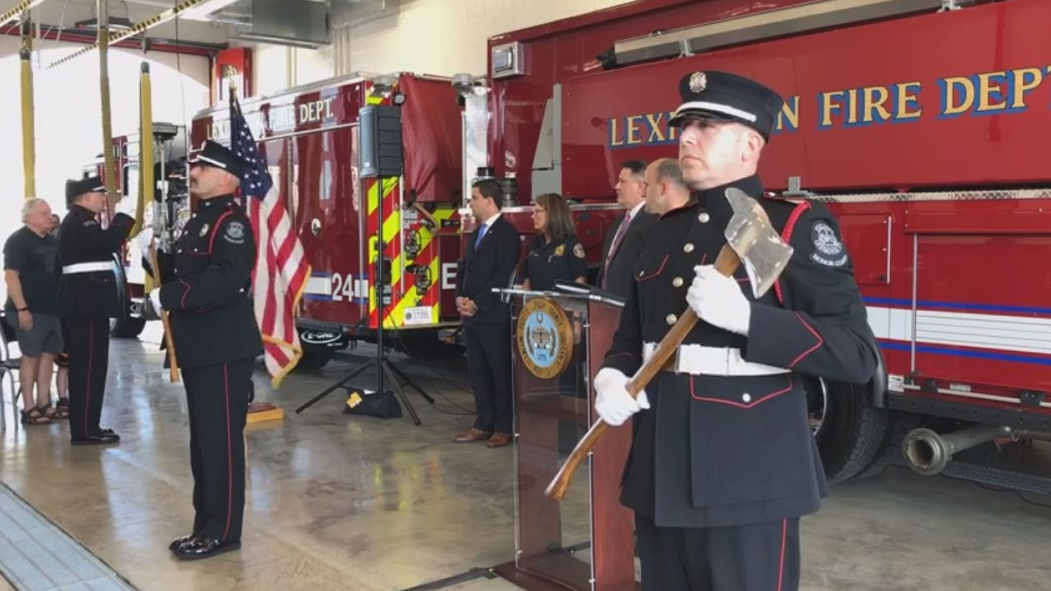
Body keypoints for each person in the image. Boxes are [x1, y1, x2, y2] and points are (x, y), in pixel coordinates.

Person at [593, 70, 880, 590]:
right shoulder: (660, 233)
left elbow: (856, 353)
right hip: (661, 470)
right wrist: (612, 376)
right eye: (684, 125)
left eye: (706, 126)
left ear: (751, 144)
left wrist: (749, 320)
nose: (686, 137)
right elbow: (630, 339)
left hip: (748, 472)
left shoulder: (789, 226)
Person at [144, 140, 262, 560]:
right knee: (202, 443)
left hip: (223, 346)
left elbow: (227, 279)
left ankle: (224, 531)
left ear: (227, 178)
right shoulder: (199, 220)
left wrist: (171, 295)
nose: (194, 172)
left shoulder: (231, 223)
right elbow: (185, 267)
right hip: (200, 345)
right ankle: (204, 524)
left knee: (220, 442)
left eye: (205, 167)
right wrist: (152, 255)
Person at [57, 177, 134, 444]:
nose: (104, 199)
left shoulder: (80, 220)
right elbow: (106, 243)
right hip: (85, 305)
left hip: (86, 303)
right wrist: (125, 216)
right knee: (88, 368)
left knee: (91, 367)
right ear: (85, 196)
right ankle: (85, 430)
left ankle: (89, 425)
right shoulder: (81, 222)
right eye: (101, 194)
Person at [452, 179, 521, 448]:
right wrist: (460, 296)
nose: (471, 203)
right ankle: (483, 423)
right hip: (471, 315)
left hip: (493, 314)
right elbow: (464, 268)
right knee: (478, 371)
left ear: (490, 200)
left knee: (498, 371)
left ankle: (503, 427)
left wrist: (478, 303)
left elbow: (502, 275)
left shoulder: (506, 234)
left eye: (475, 198)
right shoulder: (476, 233)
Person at [3, 198, 67, 425]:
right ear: (29, 217)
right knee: (30, 357)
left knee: (48, 356)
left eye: (50, 212)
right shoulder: (18, 241)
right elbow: (11, 277)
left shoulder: (52, 241)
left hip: (52, 311)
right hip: (29, 311)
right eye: (44, 213)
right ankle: (28, 406)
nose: (49, 216)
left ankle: (44, 402)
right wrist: (22, 308)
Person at [595, 160, 657, 297]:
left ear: (640, 186)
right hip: (607, 305)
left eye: (622, 181)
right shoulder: (618, 223)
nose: (616, 187)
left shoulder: (651, 221)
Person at [521, 193, 588, 291]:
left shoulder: (571, 244)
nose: (532, 216)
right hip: (537, 305)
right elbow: (527, 283)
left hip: (563, 305)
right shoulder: (534, 244)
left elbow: (580, 282)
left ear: (552, 213)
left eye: (537, 211)